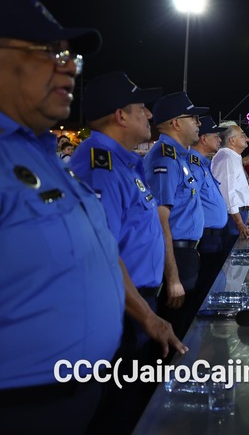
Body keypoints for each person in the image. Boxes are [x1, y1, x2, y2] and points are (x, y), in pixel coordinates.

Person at [0, 0, 124, 434]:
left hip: (79, 397)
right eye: (49, 52)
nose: (69, 66)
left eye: (70, 56)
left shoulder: (42, 152)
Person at [71, 71, 187, 432]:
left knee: (134, 401)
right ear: (120, 115)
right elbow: (102, 252)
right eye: (142, 109)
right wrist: (147, 317)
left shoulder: (124, 164)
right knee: (118, 409)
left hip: (137, 303)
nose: (150, 116)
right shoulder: (99, 167)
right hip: (123, 309)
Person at [143, 91, 209, 337]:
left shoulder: (178, 157)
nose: (199, 124)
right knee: (175, 328)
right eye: (194, 118)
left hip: (186, 252)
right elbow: (160, 220)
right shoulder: (165, 158)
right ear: (176, 123)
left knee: (184, 324)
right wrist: (172, 277)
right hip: (176, 255)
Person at [187, 115, 230, 320]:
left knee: (209, 284)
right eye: (216, 135)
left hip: (212, 236)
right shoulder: (193, 164)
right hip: (204, 237)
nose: (219, 140)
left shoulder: (203, 164)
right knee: (203, 290)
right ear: (203, 138)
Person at [211, 122, 249, 249]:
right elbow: (227, 194)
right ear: (232, 140)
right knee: (234, 259)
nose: (245, 137)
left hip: (239, 215)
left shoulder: (233, 157)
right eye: (242, 135)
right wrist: (239, 222)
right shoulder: (226, 158)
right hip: (233, 219)